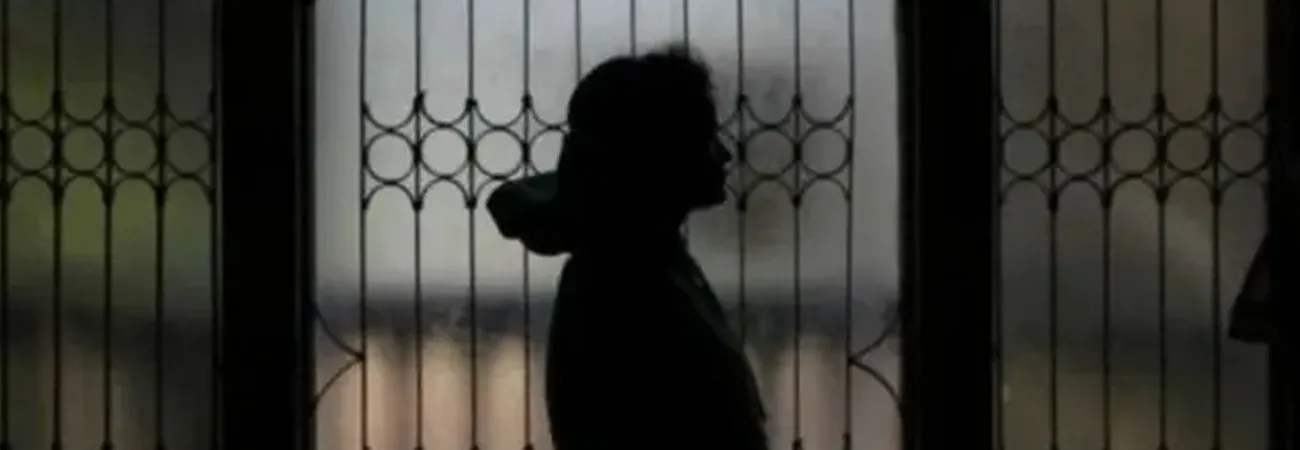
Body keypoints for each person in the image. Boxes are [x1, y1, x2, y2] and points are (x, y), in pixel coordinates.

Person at [487, 44, 769, 450]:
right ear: (659, 153)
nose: (724, 154)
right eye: (704, 137)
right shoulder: (626, 282)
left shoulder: (642, 261)